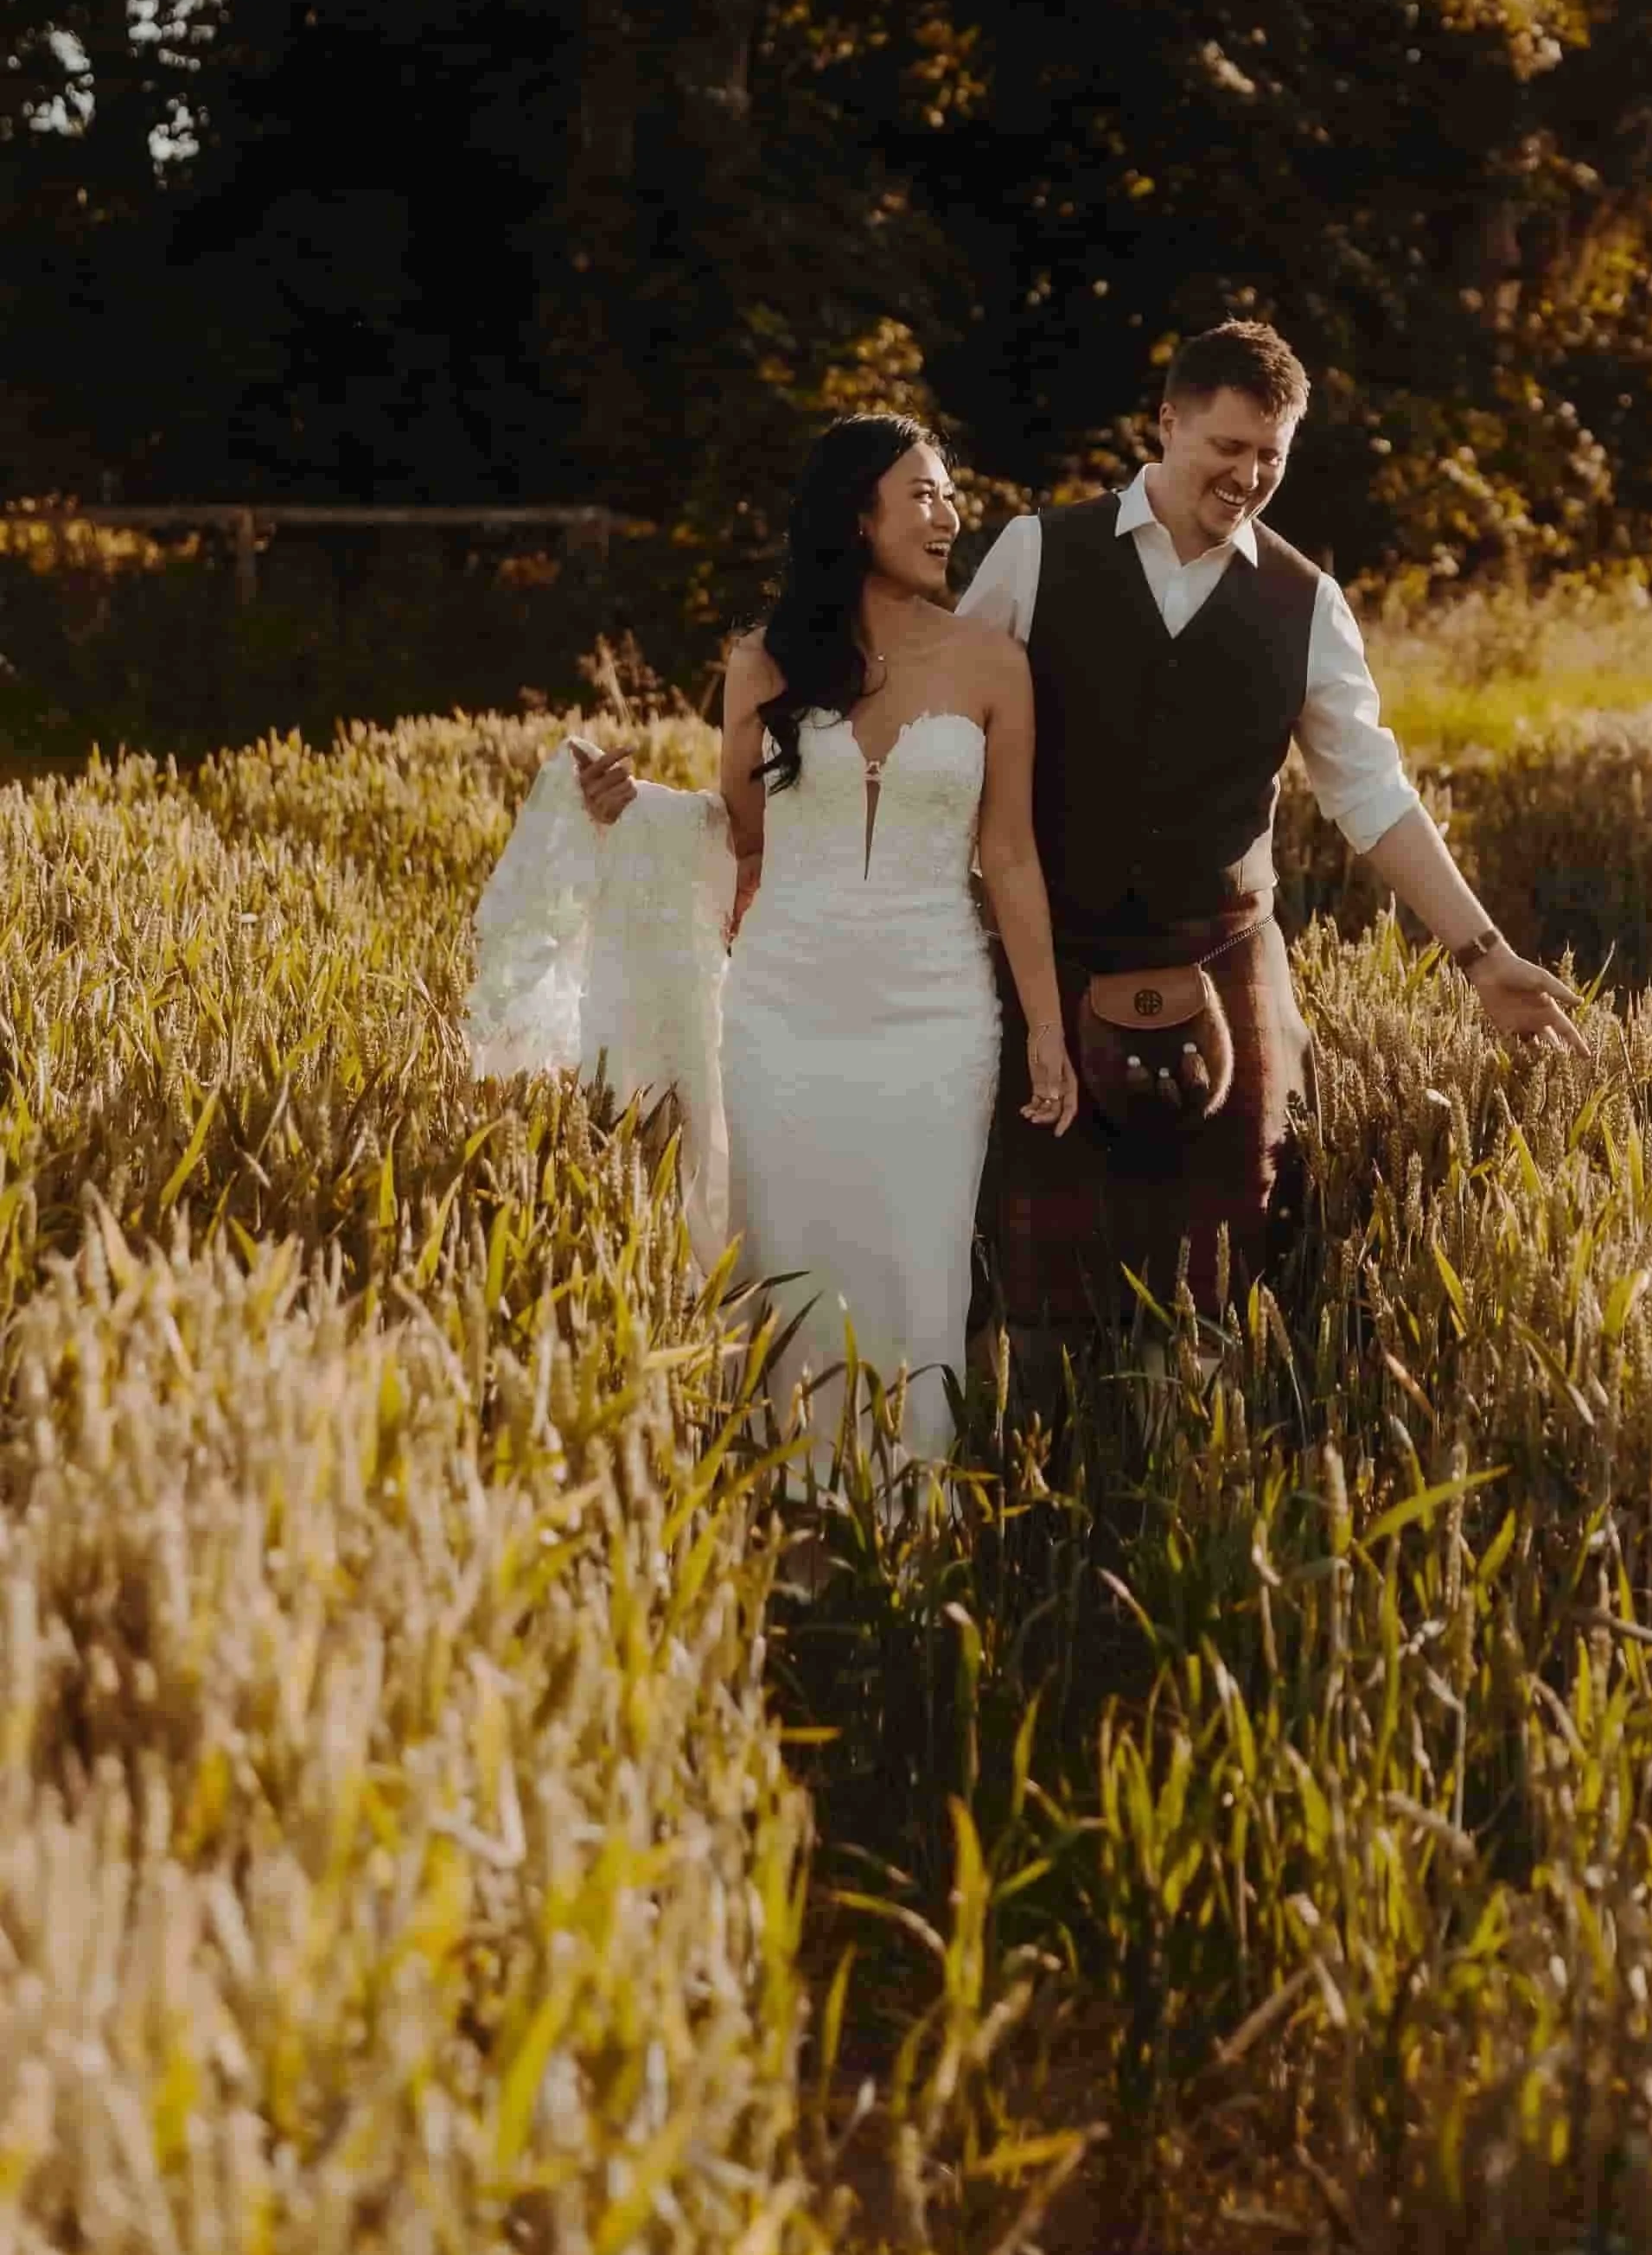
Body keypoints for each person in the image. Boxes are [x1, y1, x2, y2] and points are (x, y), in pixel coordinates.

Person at [956, 318, 1588, 1354]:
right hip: (1044, 960)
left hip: (1223, 952)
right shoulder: (1034, 555)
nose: (1247, 476)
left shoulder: (1308, 602)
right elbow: (949, 739)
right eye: (1227, 446)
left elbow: (1371, 793)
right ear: (1166, 424)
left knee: (1221, 1286)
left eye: (1271, 456)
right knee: (1030, 1294)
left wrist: (1482, 956)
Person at [481, 412, 1076, 1462]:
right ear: (858, 513)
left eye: (948, 494)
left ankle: (905, 1525)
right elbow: (745, 843)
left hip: (938, 1019)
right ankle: (789, 1528)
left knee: (918, 1270)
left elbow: (1012, 857)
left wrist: (1043, 1026)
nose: (949, 516)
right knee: (789, 1270)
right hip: (782, 1015)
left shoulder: (995, 666)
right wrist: (633, 807)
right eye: (924, 494)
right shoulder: (762, 662)